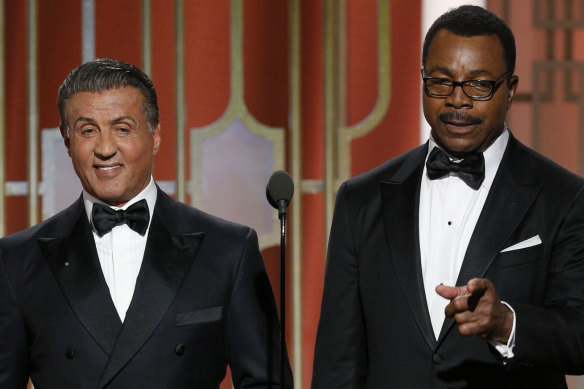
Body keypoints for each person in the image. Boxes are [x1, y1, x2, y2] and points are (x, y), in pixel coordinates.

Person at [312, 5, 584, 388]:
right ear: (422, 80)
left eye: (479, 84)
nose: (458, 100)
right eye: (441, 82)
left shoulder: (564, 197)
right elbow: (337, 362)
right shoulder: (361, 200)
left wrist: (507, 323)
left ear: (510, 90)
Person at [0, 58, 292, 389]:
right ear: (67, 142)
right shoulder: (17, 261)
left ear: (155, 135)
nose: (105, 149)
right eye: (87, 131)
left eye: (122, 129)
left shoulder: (228, 250)